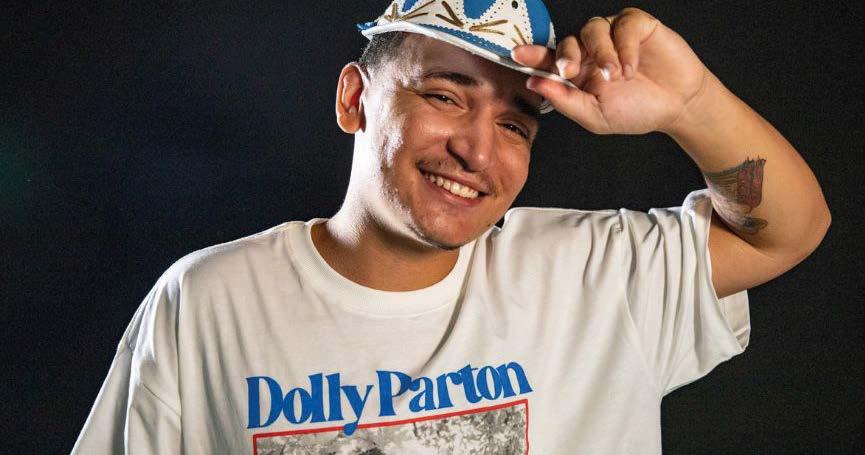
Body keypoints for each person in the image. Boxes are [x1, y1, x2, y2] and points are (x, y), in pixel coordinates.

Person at [72, 1, 830, 453]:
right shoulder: (208, 301)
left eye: (515, 123)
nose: (477, 150)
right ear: (354, 100)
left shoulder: (592, 276)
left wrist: (690, 105)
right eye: (443, 96)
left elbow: (785, 230)